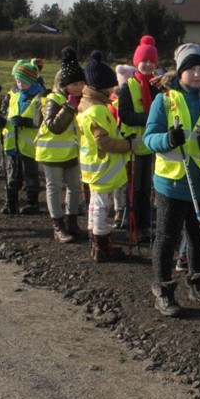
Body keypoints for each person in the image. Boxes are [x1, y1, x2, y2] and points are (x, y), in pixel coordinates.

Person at [143, 44, 200, 317]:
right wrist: (167, 139)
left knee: (198, 236)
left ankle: (199, 284)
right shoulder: (165, 100)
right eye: (191, 69)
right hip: (172, 183)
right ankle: (163, 288)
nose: (197, 74)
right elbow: (149, 138)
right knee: (167, 237)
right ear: (180, 72)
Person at [76, 51, 130, 262]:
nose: (113, 90)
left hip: (92, 164)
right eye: (110, 86)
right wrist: (127, 145)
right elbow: (104, 141)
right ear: (103, 87)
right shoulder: (97, 110)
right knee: (101, 205)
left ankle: (97, 242)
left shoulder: (85, 105)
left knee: (95, 204)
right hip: (102, 165)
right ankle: (101, 245)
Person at [37, 47, 85, 244]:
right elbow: (54, 126)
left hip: (72, 152)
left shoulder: (81, 99)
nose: (80, 87)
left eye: (82, 82)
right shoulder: (53, 100)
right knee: (54, 188)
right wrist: (70, 106)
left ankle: (72, 223)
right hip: (51, 153)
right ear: (65, 85)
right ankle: (58, 226)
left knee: (75, 187)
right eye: (75, 84)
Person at [115, 35, 160, 239]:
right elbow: (124, 114)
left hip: (151, 144)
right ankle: (133, 226)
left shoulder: (157, 85)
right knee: (135, 188)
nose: (149, 64)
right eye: (145, 61)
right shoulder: (128, 86)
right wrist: (148, 118)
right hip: (134, 143)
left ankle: (144, 223)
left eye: (152, 61)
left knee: (147, 187)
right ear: (137, 62)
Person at [0, 60, 45, 215]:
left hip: (29, 144)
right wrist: (0, 120)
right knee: (12, 174)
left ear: (32, 80)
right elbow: (4, 112)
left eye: (23, 81)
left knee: (30, 175)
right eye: (18, 80)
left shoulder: (40, 96)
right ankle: (10, 203)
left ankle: (33, 204)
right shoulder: (12, 94)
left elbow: (43, 120)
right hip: (12, 142)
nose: (19, 83)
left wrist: (26, 122)